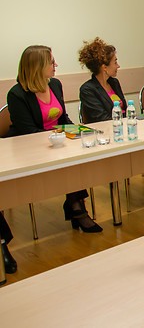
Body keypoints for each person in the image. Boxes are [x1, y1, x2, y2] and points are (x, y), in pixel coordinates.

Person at [7, 45, 102, 232]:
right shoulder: (17, 94)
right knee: (69, 160)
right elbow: (28, 132)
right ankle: (77, 207)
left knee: (80, 154)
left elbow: (63, 118)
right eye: (51, 62)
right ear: (38, 66)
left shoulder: (55, 84)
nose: (55, 65)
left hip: (59, 141)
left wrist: (78, 131)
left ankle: (75, 204)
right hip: (33, 148)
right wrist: (60, 138)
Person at [78, 37, 126, 123]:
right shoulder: (87, 90)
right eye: (115, 62)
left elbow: (125, 111)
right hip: (107, 129)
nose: (118, 66)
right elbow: (101, 118)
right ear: (104, 67)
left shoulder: (114, 83)